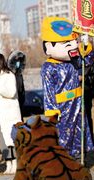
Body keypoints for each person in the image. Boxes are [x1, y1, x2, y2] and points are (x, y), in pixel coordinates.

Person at [40, 16, 94, 158]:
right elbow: (48, 91)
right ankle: (65, 162)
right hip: (62, 109)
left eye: (73, 41)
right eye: (66, 43)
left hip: (78, 104)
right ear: (48, 46)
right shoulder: (49, 67)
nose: (73, 45)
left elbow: (87, 64)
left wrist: (87, 47)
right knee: (64, 138)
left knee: (80, 135)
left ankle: (78, 162)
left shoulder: (73, 62)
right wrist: (51, 111)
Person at [7, 51, 26, 118]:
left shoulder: (19, 74)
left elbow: (21, 88)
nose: (18, 63)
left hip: (20, 100)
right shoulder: (9, 74)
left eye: (19, 61)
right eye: (16, 61)